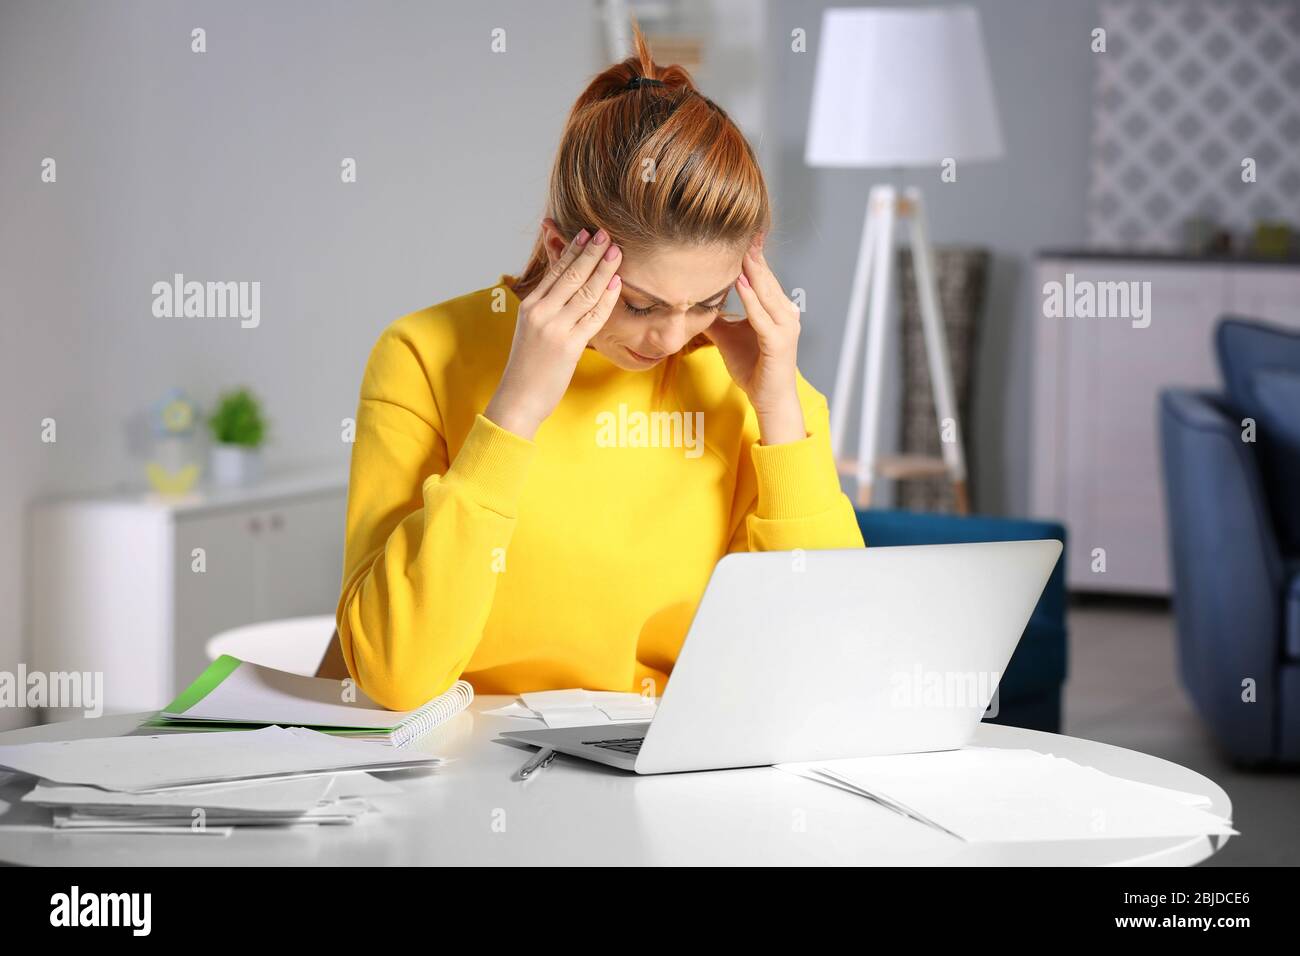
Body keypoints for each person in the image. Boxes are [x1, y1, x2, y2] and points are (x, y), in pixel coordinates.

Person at [331, 26, 864, 710]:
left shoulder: (754, 393)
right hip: (469, 765)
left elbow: (832, 668)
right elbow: (397, 674)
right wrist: (515, 411)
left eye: (707, 301)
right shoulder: (422, 354)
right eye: (641, 303)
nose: (672, 338)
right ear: (559, 249)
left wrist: (782, 415)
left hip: (666, 766)